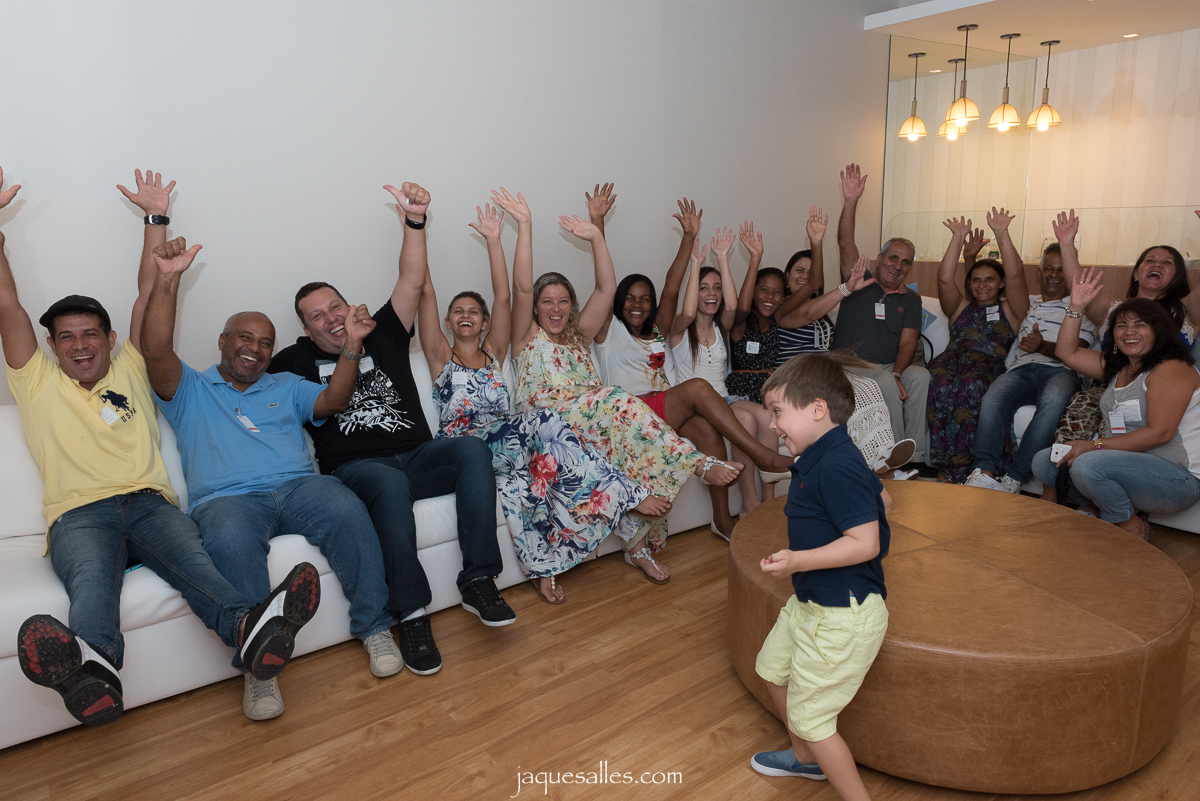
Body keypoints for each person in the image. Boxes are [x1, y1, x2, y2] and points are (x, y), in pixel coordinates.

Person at [4, 169, 318, 726]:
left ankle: (247, 630)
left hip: (149, 503)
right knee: (91, 586)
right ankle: (94, 672)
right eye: (67, 337)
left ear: (110, 340)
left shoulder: (130, 366)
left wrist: (157, 219)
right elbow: (8, 306)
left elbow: (150, 290)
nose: (80, 344)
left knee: (197, 567)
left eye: (91, 333)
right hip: (78, 515)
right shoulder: (36, 379)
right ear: (52, 346)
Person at [141, 232, 399, 721]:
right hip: (229, 499)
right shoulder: (190, 387)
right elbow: (154, 349)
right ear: (222, 341)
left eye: (265, 343)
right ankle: (259, 674)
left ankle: (375, 628)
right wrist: (167, 281)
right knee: (229, 538)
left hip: (301, 487)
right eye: (244, 338)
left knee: (346, 505)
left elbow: (333, 402)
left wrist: (353, 349)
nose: (254, 349)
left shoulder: (286, 383)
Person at [270, 183, 516, 674]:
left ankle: (478, 581)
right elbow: (249, 386)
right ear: (306, 330)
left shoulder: (381, 329)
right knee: (387, 481)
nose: (331, 319)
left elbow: (411, 276)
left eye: (335, 307)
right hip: (358, 468)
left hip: (417, 454)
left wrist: (416, 221)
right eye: (317, 317)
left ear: (349, 306)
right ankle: (411, 612)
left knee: (469, 450)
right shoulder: (292, 362)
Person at [497, 185, 740, 584]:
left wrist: (596, 235)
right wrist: (524, 224)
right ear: (536, 309)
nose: (555, 309)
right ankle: (698, 464)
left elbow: (608, 289)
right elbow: (521, 287)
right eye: (547, 302)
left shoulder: (579, 335)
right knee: (616, 399)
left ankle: (637, 547)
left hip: (589, 421)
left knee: (623, 441)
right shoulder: (526, 338)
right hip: (547, 424)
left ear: (572, 307)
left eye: (562, 302)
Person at [418, 199, 656, 605]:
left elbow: (506, 295)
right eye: (457, 311)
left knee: (522, 485)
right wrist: (416, 224)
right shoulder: (441, 355)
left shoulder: (495, 352)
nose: (465, 315)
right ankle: (627, 497)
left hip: (504, 444)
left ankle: (542, 567)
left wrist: (497, 240)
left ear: (485, 322)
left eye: (473, 311)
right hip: (462, 447)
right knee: (545, 422)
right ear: (446, 321)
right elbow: (423, 290)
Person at [592, 193, 795, 536]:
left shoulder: (658, 331)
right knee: (699, 389)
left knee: (706, 430)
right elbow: (604, 281)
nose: (637, 304)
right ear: (617, 303)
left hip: (662, 410)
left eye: (645, 299)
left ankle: (721, 520)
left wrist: (688, 237)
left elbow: (672, 285)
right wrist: (598, 226)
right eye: (629, 298)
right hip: (628, 413)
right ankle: (764, 457)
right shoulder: (607, 332)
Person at [751, 353, 890, 801]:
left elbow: (866, 544)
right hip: (812, 603)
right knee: (771, 671)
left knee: (814, 720)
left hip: (841, 616)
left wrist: (797, 560)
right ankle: (806, 759)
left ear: (816, 409)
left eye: (777, 411)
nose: (772, 424)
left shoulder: (836, 464)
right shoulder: (826, 454)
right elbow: (884, 499)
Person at [1032, 272, 1200, 539]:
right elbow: (1068, 352)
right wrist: (1076, 308)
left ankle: (1130, 526)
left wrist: (1093, 446)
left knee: (1089, 465)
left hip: (1177, 479)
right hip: (1125, 466)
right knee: (1045, 460)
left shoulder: (1172, 369)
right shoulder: (1120, 367)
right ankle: (1101, 510)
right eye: (1122, 325)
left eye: (1140, 325)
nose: (1129, 332)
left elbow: (1160, 433)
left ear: (1159, 330)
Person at [771, 207, 914, 476]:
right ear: (787, 277)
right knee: (869, 387)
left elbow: (815, 295)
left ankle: (883, 461)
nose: (804, 276)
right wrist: (820, 248)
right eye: (798, 271)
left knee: (867, 389)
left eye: (809, 272)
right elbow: (807, 310)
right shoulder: (783, 308)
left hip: (821, 372)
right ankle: (885, 469)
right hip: (796, 375)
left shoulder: (824, 313)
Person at [964, 230, 1098, 493]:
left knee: (1054, 400)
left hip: (1061, 371)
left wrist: (1043, 346)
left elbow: (1078, 348)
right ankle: (985, 472)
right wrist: (971, 257)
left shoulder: (1083, 305)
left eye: (1061, 269)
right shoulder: (1028, 304)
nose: (1054, 274)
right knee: (992, 397)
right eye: (1049, 268)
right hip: (1022, 368)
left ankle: (1015, 476)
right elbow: (983, 291)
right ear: (1040, 272)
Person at [831, 163, 930, 463]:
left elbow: (908, 342)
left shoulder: (911, 299)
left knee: (920, 376)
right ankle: (895, 459)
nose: (898, 266)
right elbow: (845, 242)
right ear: (879, 258)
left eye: (905, 262)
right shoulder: (858, 282)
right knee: (885, 381)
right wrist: (851, 202)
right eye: (893, 258)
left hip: (887, 366)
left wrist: (898, 372)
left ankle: (915, 458)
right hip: (848, 365)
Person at [925, 210, 1028, 482]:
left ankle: (970, 469)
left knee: (972, 385)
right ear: (969, 284)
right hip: (951, 362)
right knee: (940, 380)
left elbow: (1017, 276)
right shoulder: (960, 307)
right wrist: (958, 238)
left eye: (990, 279)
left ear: (1001, 283)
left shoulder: (1013, 310)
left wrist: (1002, 233)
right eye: (976, 279)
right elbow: (945, 279)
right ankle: (943, 467)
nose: (982, 284)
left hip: (988, 366)